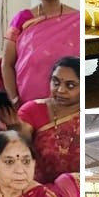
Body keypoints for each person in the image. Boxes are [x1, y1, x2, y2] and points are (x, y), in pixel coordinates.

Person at [3, 0, 79, 108]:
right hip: (29, 97)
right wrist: (13, 99)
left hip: (70, 98)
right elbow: (7, 64)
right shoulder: (22, 18)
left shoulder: (77, 19)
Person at [15, 56, 79, 184]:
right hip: (37, 189)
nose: (60, 90)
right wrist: (13, 127)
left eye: (70, 85)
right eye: (55, 82)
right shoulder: (33, 110)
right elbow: (19, 147)